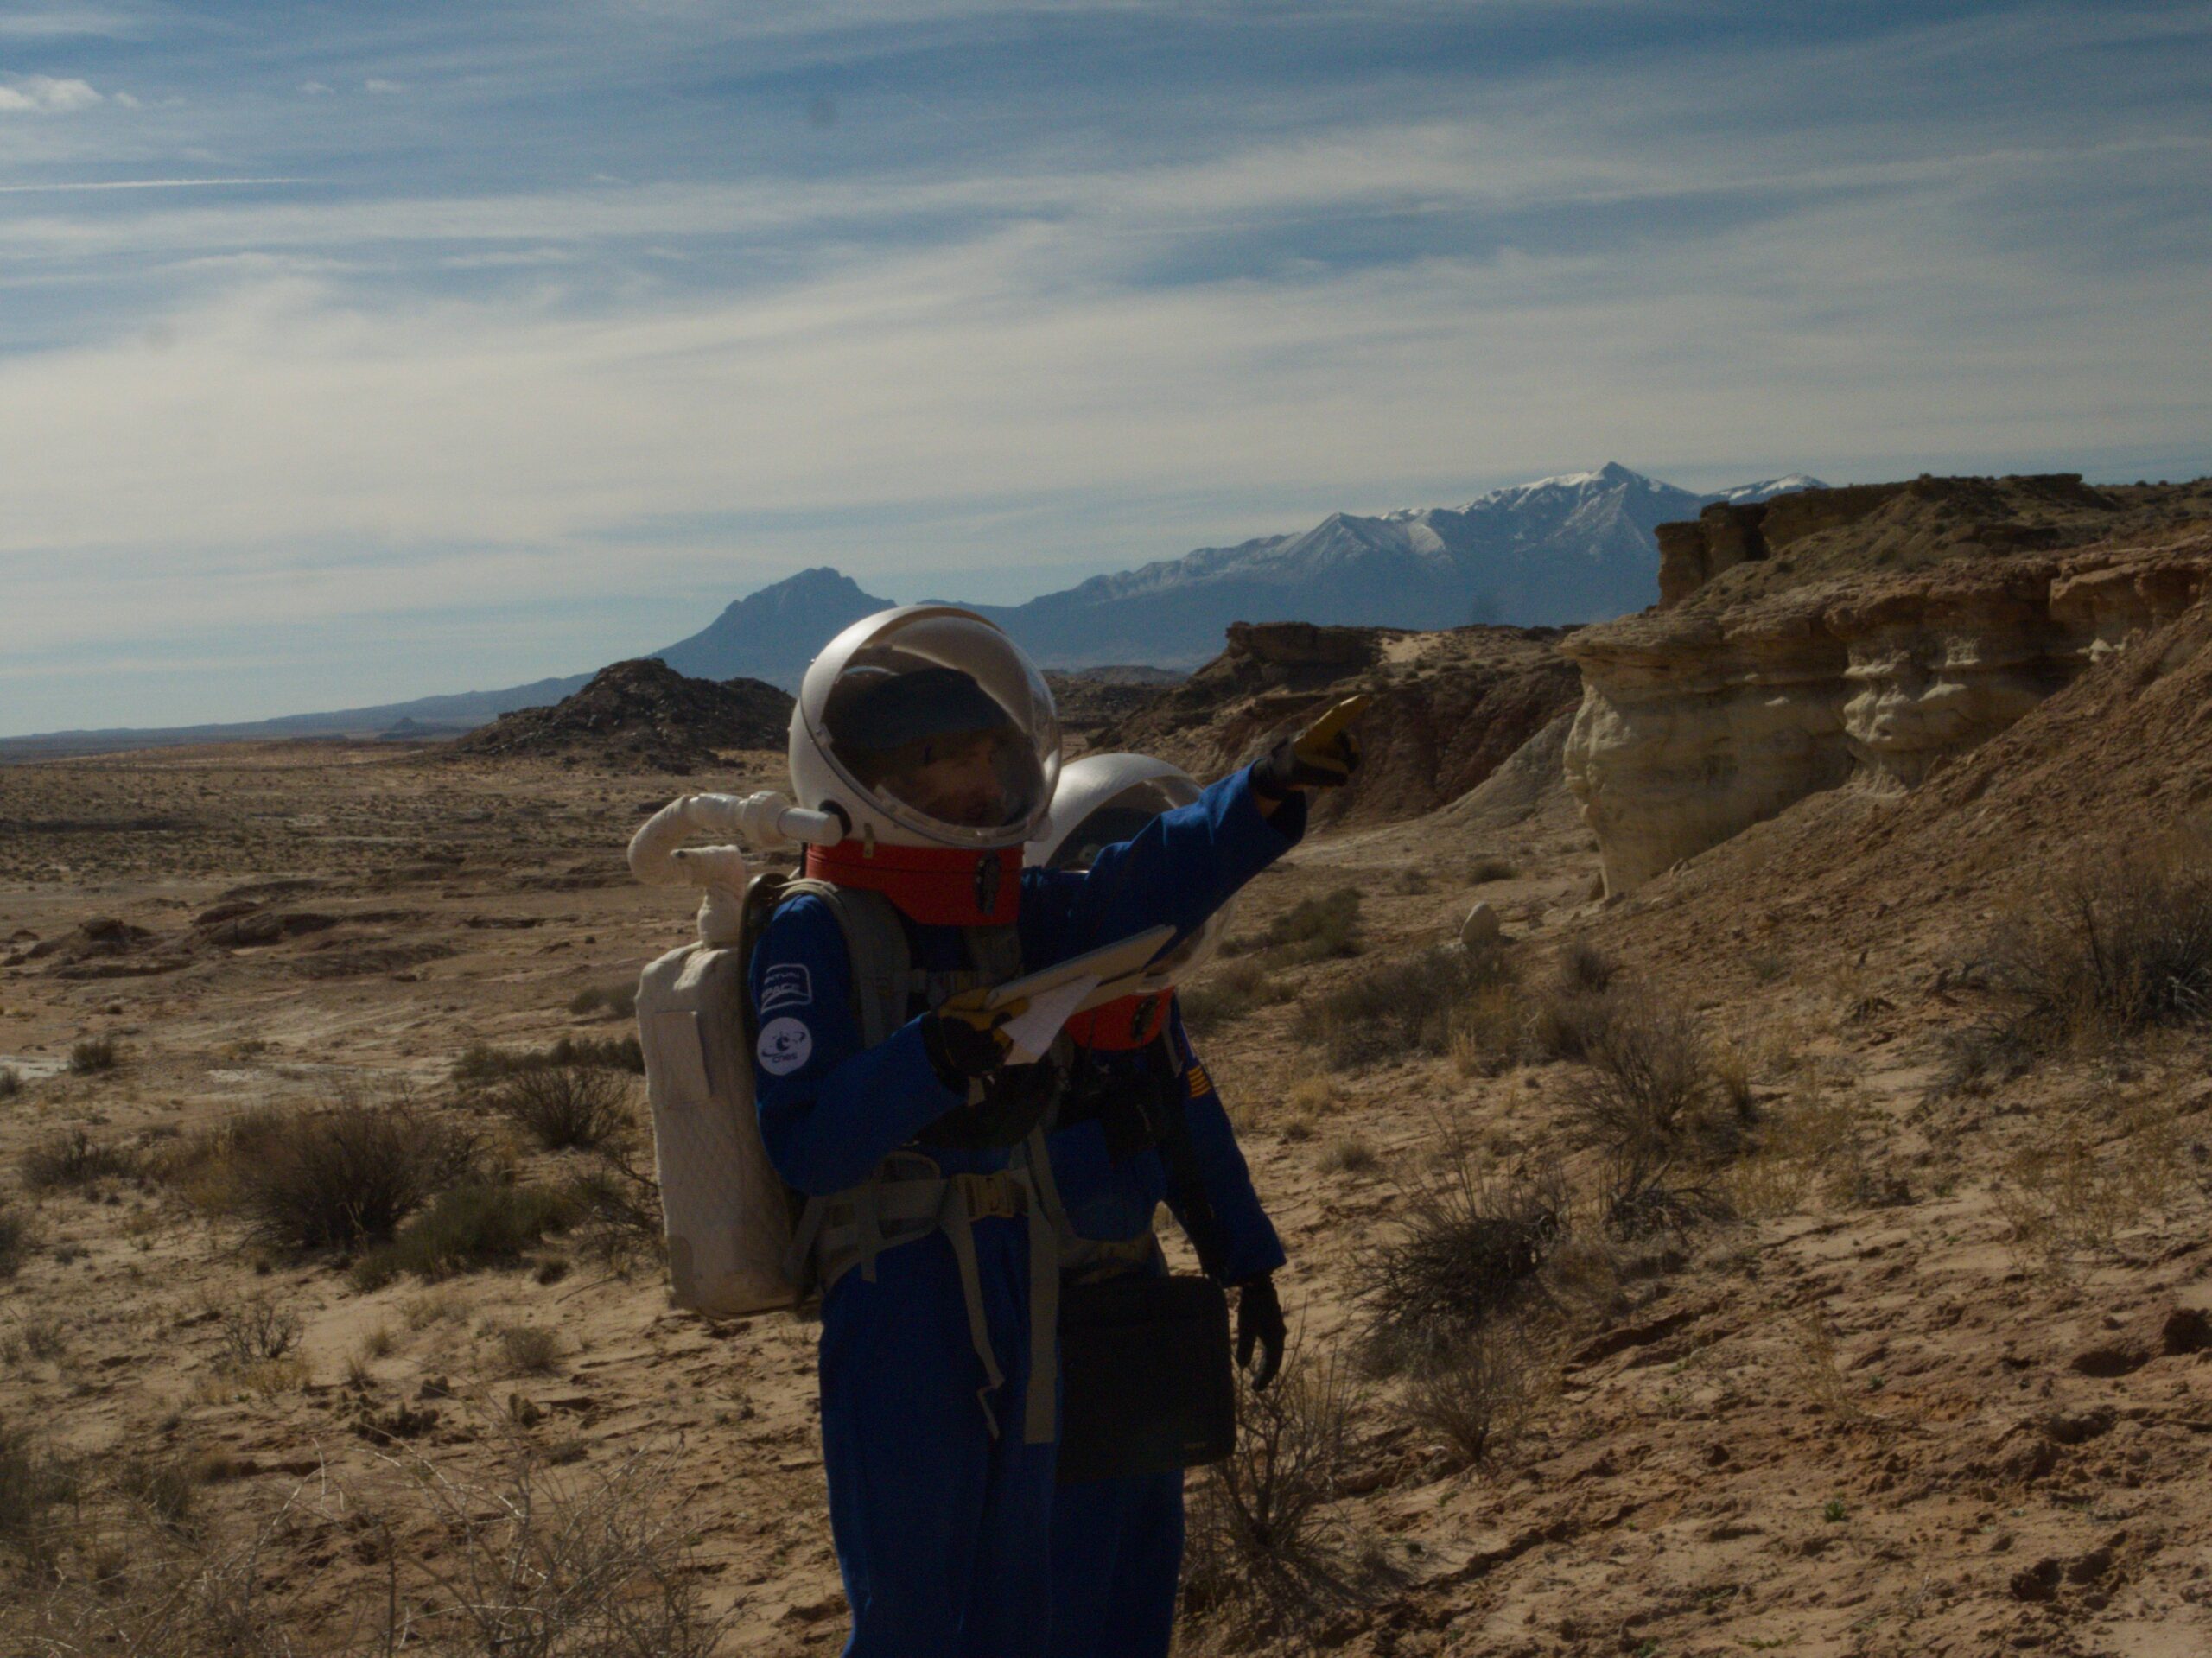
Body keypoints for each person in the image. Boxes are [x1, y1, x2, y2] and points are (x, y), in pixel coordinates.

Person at [746, 605, 1361, 1658]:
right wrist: (930, 1057)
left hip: (1021, 1280)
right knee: (912, 1609)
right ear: (870, 773)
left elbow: (1139, 886)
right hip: (901, 1288)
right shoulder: (819, 926)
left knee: (1017, 1598)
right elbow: (807, 1140)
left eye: (990, 752)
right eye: (946, 758)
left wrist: (1258, 791)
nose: (980, 779)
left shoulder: (1012, 911)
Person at [1026, 754, 1287, 1658]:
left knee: (1145, 1547)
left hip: (1131, 1299)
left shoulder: (1143, 1014)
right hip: (1036, 1319)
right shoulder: (1011, 1009)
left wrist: (1249, 1268)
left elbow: (1194, 1134)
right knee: (1068, 1563)